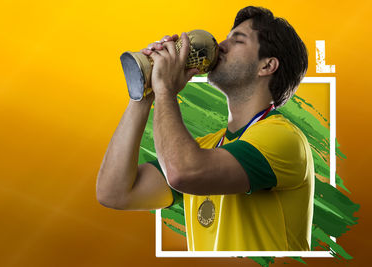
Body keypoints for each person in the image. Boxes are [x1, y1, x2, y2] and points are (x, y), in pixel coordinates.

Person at [96, 6, 314, 251]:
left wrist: (165, 89)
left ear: (267, 66)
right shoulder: (205, 148)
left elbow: (182, 172)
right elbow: (114, 193)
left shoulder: (283, 138)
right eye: (226, 37)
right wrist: (145, 93)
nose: (220, 45)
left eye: (238, 40)